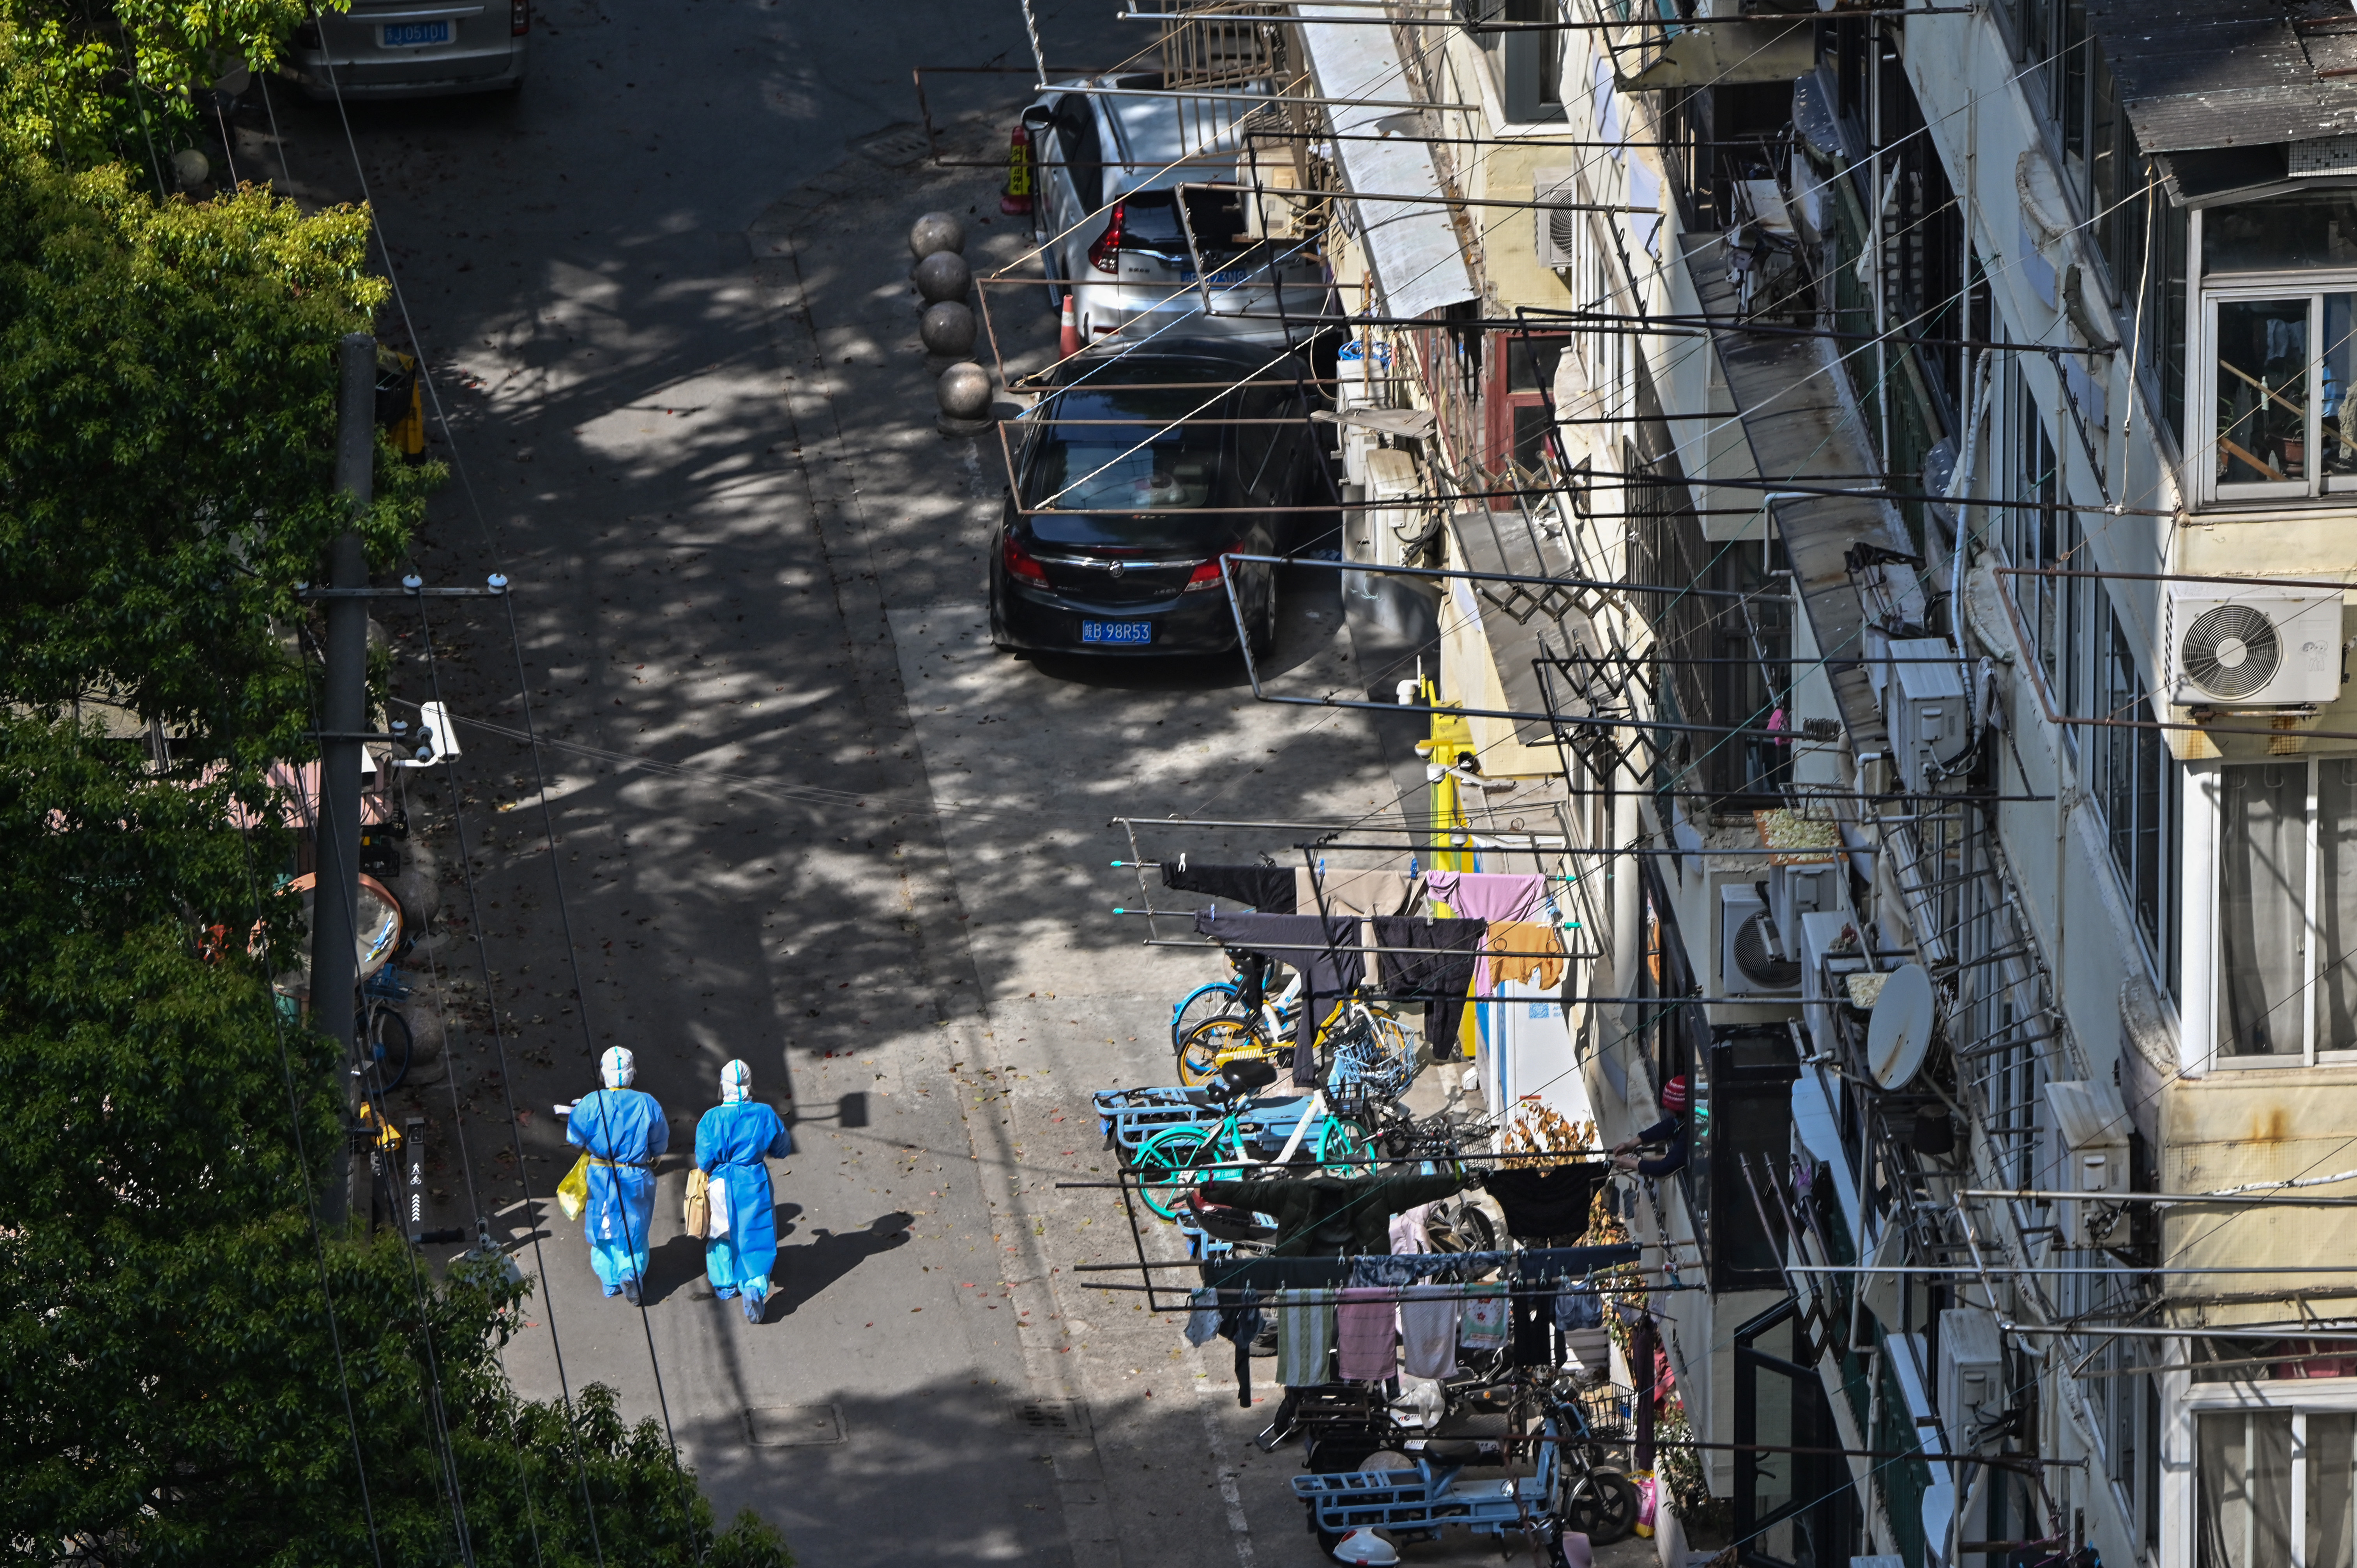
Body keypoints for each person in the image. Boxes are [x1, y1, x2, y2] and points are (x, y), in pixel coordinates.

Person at [566, 1045, 668, 1305]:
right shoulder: (648, 1103)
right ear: (632, 1073)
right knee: (635, 1228)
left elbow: (574, 1138)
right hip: (635, 1175)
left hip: (601, 1174)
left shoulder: (591, 1102)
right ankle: (631, 1272)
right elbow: (660, 1144)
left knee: (604, 1228)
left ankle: (611, 1282)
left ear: (604, 1073)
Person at [695, 1059, 793, 1323]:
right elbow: (782, 1148)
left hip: (721, 1183)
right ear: (750, 1085)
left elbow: (703, 1160)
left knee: (722, 1234)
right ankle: (753, 1287)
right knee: (756, 1235)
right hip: (754, 1182)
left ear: (723, 1085)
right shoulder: (765, 1114)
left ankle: (726, 1285)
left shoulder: (711, 1118)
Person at [1610, 1074, 1690, 1177]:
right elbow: (1667, 1126)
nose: (1666, 1109)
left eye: (1669, 1107)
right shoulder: (1686, 1118)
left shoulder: (1690, 1133)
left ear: (1679, 1110)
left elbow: (1665, 1167)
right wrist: (1633, 1143)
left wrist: (1631, 1164)